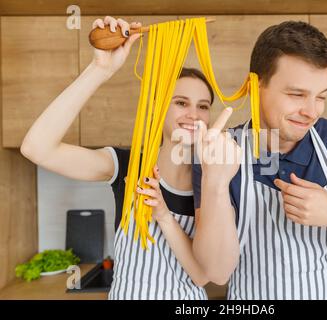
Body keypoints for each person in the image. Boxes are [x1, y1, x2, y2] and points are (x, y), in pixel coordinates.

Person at [192, 20, 327, 300]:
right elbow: (216, 271)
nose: (311, 112)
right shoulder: (217, 151)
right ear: (255, 85)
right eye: (297, 95)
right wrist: (215, 182)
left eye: (321, 97)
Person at [20, 16, 213, 300]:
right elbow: (36, 148)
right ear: (157, 108)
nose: (193, 115)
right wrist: (100, 69)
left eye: (203, 106)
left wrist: (164, 216)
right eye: (181, 103)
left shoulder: (213, 181)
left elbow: (202, 275)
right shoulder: (126, 165)